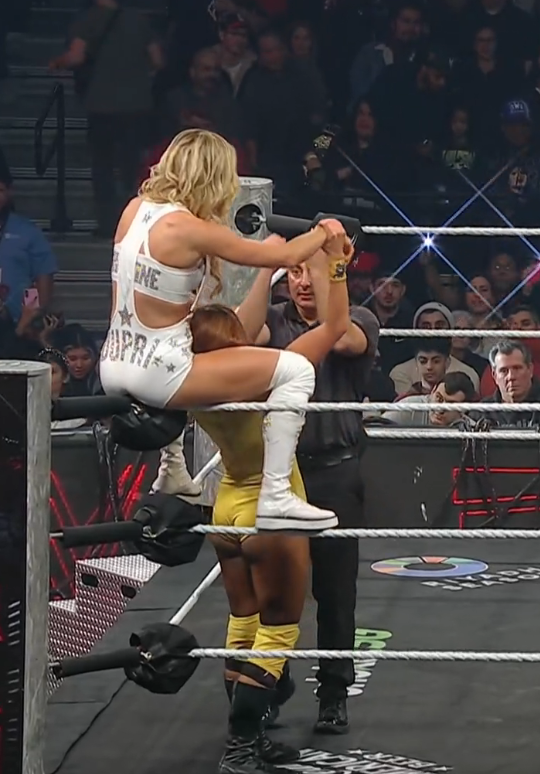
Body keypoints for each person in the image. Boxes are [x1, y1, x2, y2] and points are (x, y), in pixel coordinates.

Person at [100, 128, 342, 532]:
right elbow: (285, 255)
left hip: (113, 362)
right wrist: (325, 232)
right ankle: (276, 494)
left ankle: (172, 469)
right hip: (159, 373)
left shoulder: (134, 210)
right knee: (296, 370)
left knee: (193, 334)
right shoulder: (189, 228)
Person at [187, 237, 352, 774]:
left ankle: (249, 739)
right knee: (278, 631)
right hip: (269, 511)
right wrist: (336, 264)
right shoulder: (266, 376)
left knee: (243, 622)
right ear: (237, 345)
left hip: (226, 506)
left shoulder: (189, 383)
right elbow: (333, 326)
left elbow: (232, 328)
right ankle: (241, 747)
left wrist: (266, 270)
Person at [260, 239, 383, 736]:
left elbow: (345, 339)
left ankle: (334, 695)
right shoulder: (271, 319)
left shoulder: (359, 319)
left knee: (335, 592)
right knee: (274, 588)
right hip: (280, 472)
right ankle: (270, 685)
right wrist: (264, 265)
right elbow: (240, 333)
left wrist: (332, 270)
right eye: (293, 272)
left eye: (311, 271)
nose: (303, 281)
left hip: (335, 471)